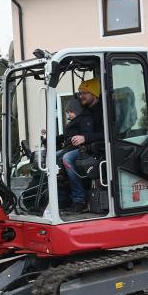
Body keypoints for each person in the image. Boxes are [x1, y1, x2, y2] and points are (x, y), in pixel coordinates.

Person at [62, 78, 105, 213]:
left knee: (67, 158)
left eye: (84, 93)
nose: (81, 96)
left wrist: (85, 138)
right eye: (80, 93)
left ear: (94, 93)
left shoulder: (103, 111)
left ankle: (79, 199)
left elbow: (106, 134)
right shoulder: (85, 111)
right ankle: (63, 198)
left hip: (98, 148)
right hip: (84, 147)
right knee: (55, 157)